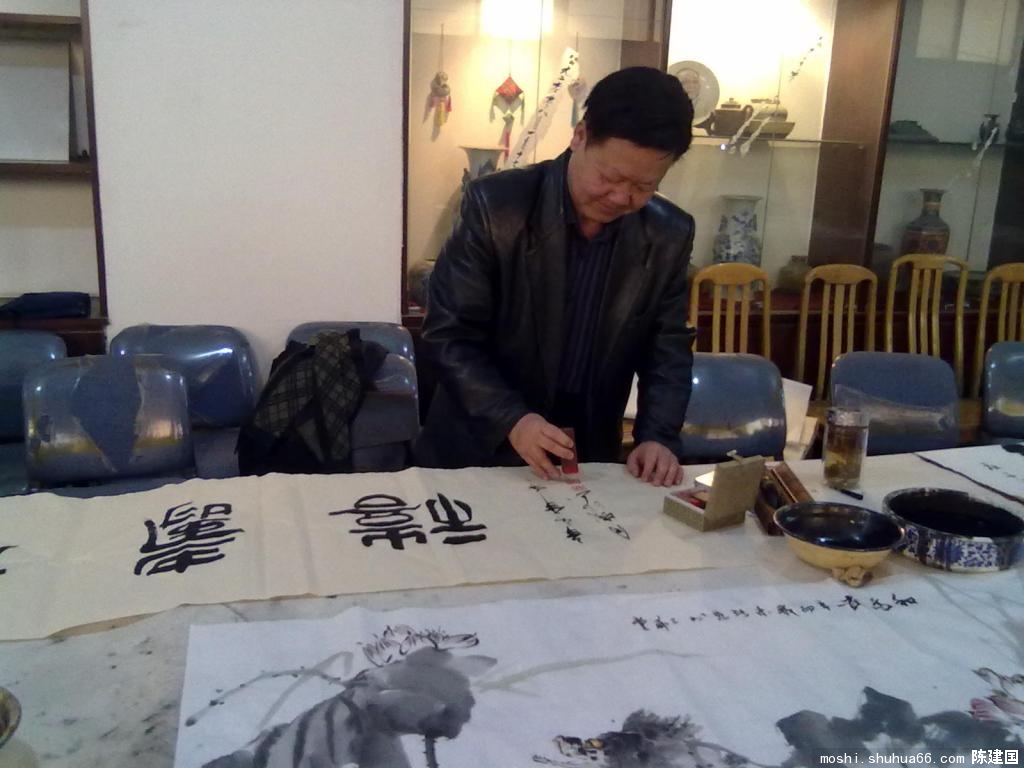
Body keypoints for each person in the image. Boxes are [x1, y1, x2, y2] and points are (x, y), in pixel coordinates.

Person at [414, 66, 696, 486]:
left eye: (644, 185)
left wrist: (658, 436)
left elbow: (667, 349)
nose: (622, 197)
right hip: (479, 449)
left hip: (588, 453)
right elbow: (448, 334)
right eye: (610, 177)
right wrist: (513, 418)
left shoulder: (667, 233)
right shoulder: (496, 206)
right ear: (580, 135)